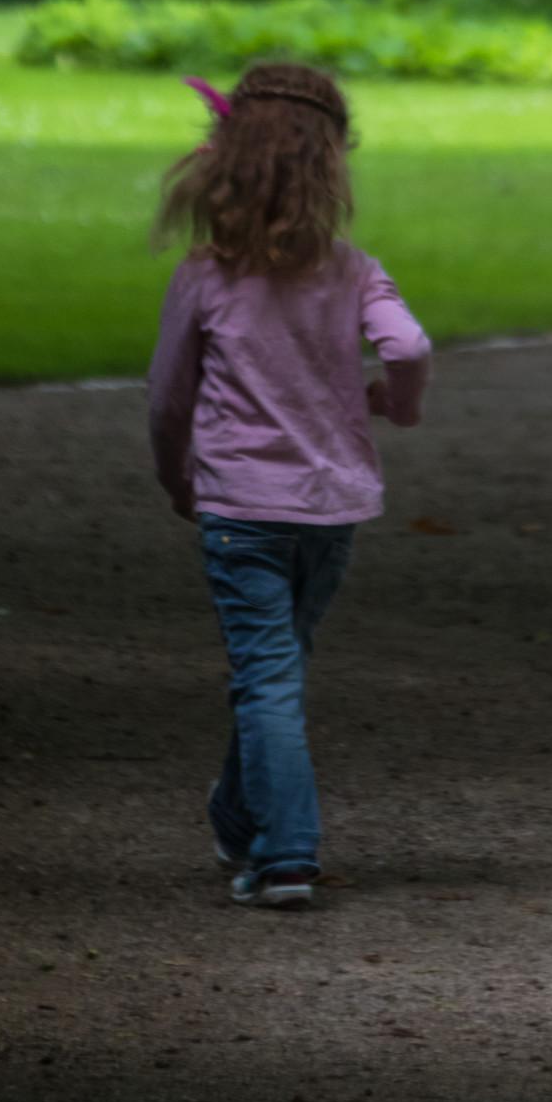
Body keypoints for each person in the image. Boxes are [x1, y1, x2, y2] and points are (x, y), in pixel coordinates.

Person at [148, 61, 430, 910]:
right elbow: (409, 348)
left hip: (239, 505)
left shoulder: (207, 275)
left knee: (266, 675)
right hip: (332, 509)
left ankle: (286, 856)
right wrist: (398, 408)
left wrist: (175, 479)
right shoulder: (353, 272)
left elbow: (168, 396)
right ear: (330, 164)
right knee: (279, 666)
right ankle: (239, 815)